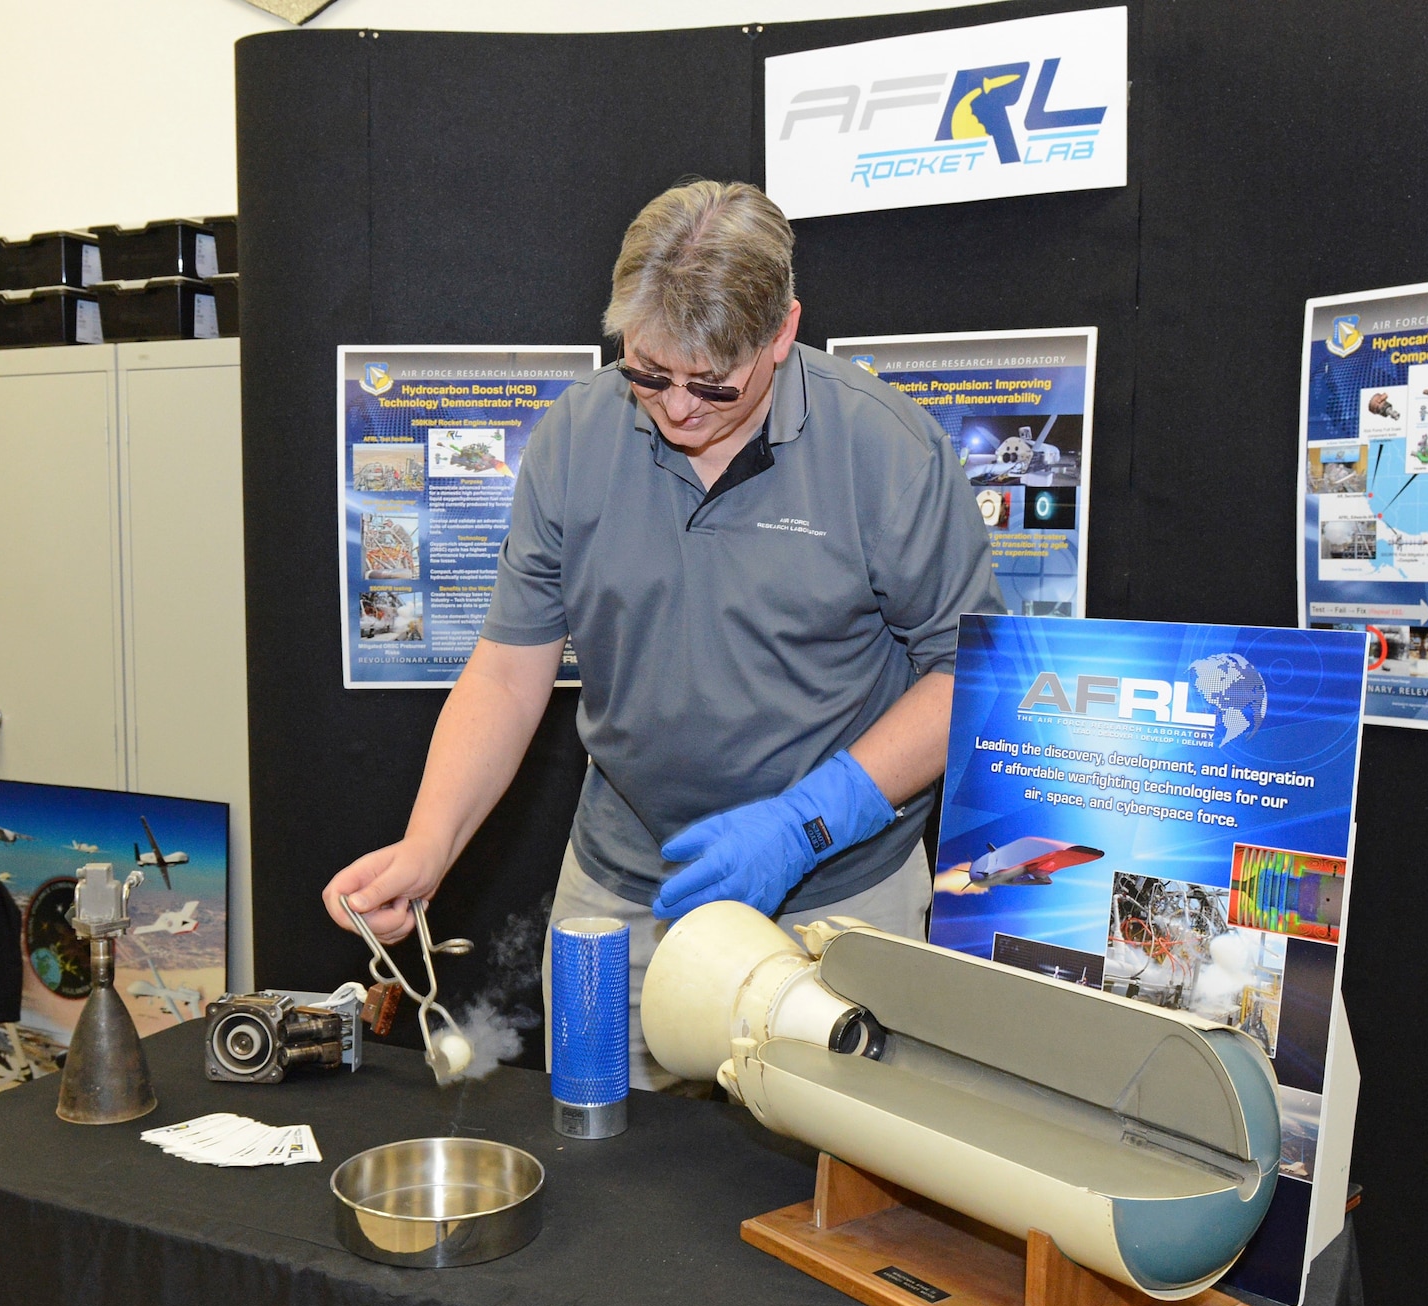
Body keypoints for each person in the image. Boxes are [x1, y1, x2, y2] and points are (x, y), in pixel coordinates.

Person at [323, 180, 1004, 1087]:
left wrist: (808, 821)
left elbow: (966, 675)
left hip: (841, 900)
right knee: (605, 1167)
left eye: (712, 384)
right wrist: (428, 846)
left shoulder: (886, 452)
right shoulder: (575, 439)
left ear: (782, 333)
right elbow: (507, 674)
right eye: (648, 373)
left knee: (838, 1197)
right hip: (626, 891)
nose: (677, 409)